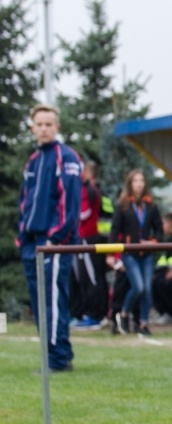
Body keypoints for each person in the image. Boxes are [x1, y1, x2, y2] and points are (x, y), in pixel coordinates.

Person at [17, 103, 83, 372]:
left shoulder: (65, 157)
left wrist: (56, 238)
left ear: (57, 127)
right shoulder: (33, 160)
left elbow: (70, 203)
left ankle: (58, 358)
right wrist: (23, 236)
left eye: (48, 124)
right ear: (32, 128)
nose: (43, 129)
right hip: (32, 243)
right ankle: (53, 354)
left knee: (53, 301)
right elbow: (25, 201)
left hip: (54, 243)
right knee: (39, 302)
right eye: (39, 124)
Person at [109, 169, 163, 336]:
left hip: (146, 254)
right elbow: (114, 230)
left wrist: (153, 242)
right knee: (138, 287)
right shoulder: (123, 205)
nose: (139, 184)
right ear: (130, 184)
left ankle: (143, 323)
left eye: (141, 180)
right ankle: (124, 314)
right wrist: (110, 255)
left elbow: (159, 230)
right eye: (136, 181)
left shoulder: (151, 205)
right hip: (129, 253)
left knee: (147, 289)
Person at [70, 161, 108, 330]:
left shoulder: (89, 189)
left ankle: (95, 315)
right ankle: (86, 313)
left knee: (91, 277)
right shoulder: (87, 189)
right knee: (84, 277)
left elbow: (84, 213)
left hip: (88, 238)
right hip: (84, 238)